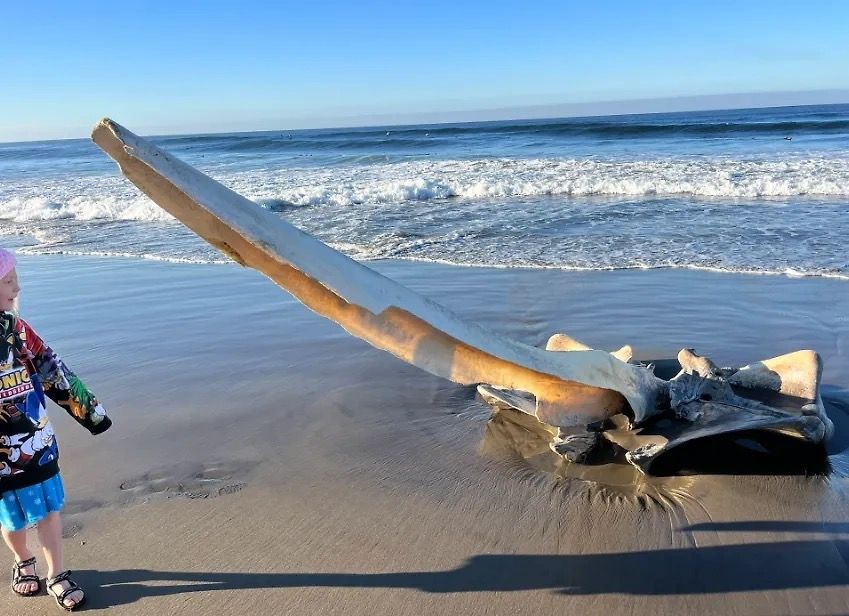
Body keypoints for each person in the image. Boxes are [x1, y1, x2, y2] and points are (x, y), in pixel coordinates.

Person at [0, 248, 111, 611]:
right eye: (8, 281)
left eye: (15, 278)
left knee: (48, 509)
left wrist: (90, 412)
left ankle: (56, 572)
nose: (18, 286)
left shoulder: (17, 329)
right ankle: (23, 561)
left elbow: (51, 367)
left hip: (35, 441)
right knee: (10, 516)